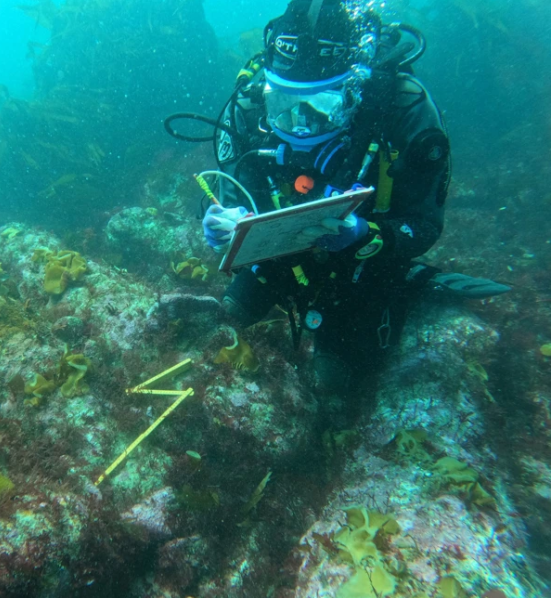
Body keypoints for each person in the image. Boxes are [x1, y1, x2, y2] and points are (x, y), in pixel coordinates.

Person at [200, 0, 508, 392]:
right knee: (218, 327)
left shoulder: (405, 111)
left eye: (321, 106)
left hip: (367, 268)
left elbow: (426, 225)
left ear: (353, 91)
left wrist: (368, 235)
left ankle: (414, 286)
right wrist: (221, 219)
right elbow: (221, 188)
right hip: (278, 259)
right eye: (283, 104)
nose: (299, 124)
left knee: (334, 386)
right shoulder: (248, 104)